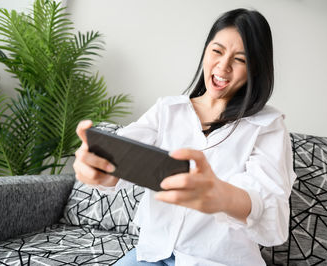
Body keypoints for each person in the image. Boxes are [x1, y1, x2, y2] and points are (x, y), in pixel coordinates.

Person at [73, 8, 296, 266]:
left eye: (241, 60)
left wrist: (221, 195)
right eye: (217, 51)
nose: (223, 66)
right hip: (152, 255)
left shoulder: (268, 127)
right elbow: (121, 160)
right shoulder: (167, 110)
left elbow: (273, 216)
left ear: (255, 70)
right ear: (205, 51)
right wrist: (100, 167)